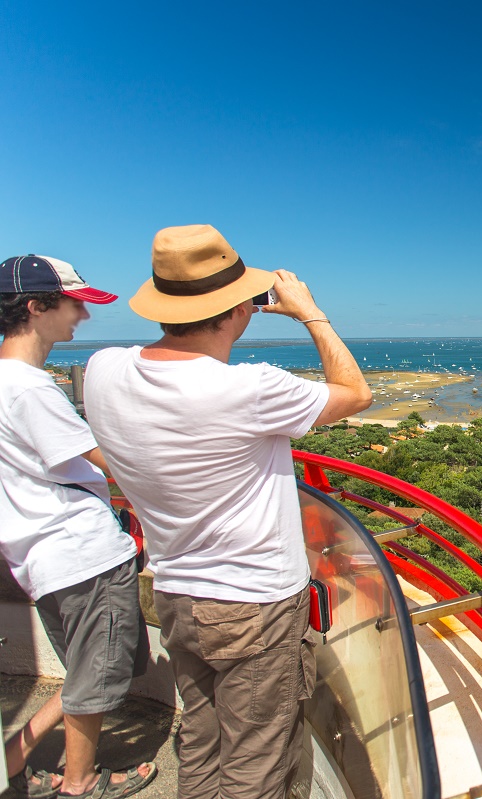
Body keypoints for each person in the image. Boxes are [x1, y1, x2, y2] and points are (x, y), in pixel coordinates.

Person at [83, 225, 372, 799]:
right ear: (240, 309)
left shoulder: (102, 369)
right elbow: (355, 392)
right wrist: (311, 313)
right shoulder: (249, 389)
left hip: (178, 595)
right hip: (256, 606)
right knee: (257, 767)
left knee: (202, 744)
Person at [0, 255, 157, 798]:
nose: (81, 318)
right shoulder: (30, 389)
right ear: (36, 306)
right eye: (73, 305)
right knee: (93, 683)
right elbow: (110, 461)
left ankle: (11, 759)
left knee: (84, 671)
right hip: (80, 554)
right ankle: (80, 784)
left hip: (39, 555)